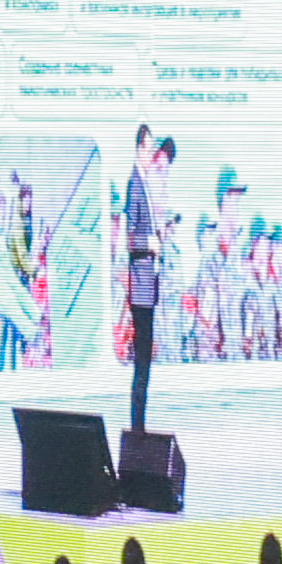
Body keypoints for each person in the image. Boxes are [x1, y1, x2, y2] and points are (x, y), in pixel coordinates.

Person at [119, 126, 168, 435]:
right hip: (139, 287)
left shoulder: (145, 184)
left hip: (148, 285)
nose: (151, 155)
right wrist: (149, 242)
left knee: (146, 361)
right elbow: (129, 239)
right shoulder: (133, 184)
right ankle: (138, 426)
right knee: (141, 362)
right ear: (138, 149)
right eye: (148, 149)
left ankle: (141, 423)